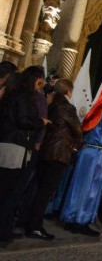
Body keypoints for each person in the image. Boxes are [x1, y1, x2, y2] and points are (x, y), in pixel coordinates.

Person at [24, 78, 82, 240]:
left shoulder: (49, 103)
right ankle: (34, 226)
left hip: (44, 149)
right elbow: (77, 129)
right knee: (45, 191)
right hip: (58, 152)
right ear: (68, 91)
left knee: (36, 188)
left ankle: (26, 221)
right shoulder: (66, 107)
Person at [60, 85, 102, 237]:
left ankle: (71, 217)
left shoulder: (94, 110)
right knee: (92, 187)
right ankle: (82, 220)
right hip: (97, 152)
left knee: (78, 184)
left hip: (86, 150)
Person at [0, 65, 49, 243]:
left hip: (8, 142)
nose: (41, 84)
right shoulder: (25, 97)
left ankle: (4, 227)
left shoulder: (11, 93)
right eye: (39, 81)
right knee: (10, 191)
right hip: (17, 145)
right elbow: (23, 120)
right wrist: (41, 122)